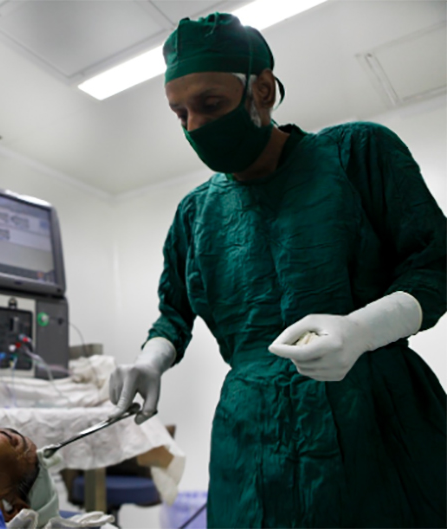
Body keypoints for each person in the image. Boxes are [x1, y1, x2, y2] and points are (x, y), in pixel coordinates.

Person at [108, 12, 446, 528]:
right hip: (253, 440)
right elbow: (173, 314)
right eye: (180, 114)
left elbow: (434, 264)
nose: (195, 126)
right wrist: (149, 361)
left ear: (262, 90)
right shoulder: (195, 214)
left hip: (377, 422)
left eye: (210, 104)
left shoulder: (357, 154)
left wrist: (362, 329)